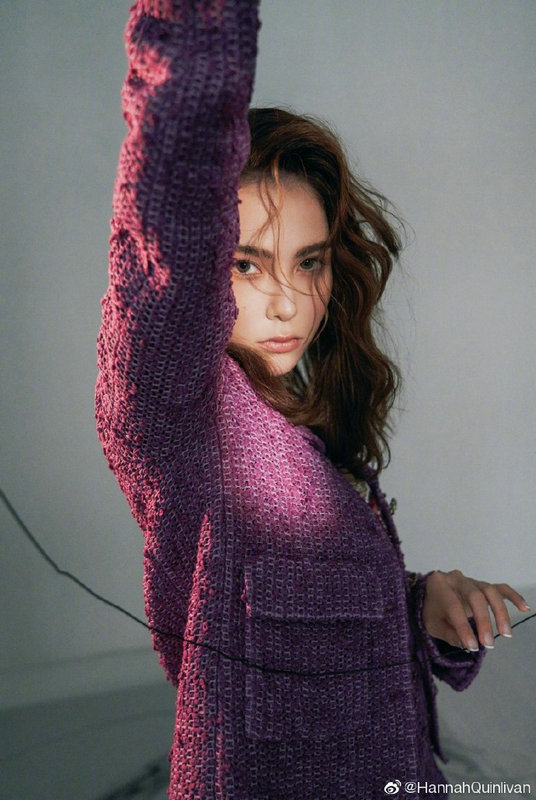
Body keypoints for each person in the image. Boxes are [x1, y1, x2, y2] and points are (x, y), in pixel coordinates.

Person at [95, 2, 530, 798]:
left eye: (310, 261)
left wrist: (418, 604)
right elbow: (170, 209)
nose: (289, 301)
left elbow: (303, 630)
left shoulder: (301, 428)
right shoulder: (181, 417)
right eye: (247, 264)